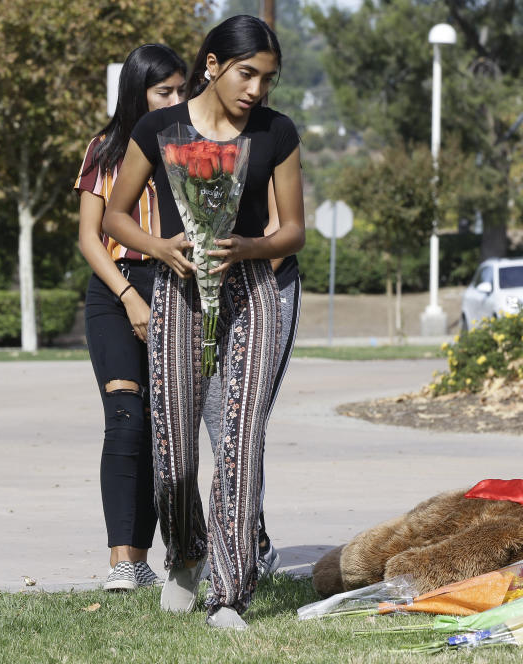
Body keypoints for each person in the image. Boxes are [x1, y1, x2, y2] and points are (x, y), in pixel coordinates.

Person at [102, 15, 305, 629]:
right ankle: (186, 556)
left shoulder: (277, 132)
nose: (256, 91)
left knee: (242, 441)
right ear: (212, 65)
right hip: (178, 289)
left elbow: (294, 229)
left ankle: (229, 592)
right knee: (175, 447)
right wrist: (160, 248)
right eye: (247, 74)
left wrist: (250, 246)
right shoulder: (156, 126)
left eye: (266, 79)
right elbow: (114, 217)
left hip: (253, 290)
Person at [74, 43, 189, 592]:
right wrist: (128, 297)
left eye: (180, 89)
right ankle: (126, 561)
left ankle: (187, 552)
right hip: (116, 289)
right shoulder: (107, 147)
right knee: (125, 416)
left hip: (178, 287)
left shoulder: (193, 147)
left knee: (171, 428)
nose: (175, 99)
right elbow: (89, 238)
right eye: (162, 91)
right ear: (136, 92)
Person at [201, 181, 302, 579]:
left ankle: (242, 547)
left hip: (267, 284)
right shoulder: (188, 139)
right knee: (216, 425)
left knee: (242, 422)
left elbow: (284, 228)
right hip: (205, 293)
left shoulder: (272, 136)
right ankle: (250, 537)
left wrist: (240, 280)